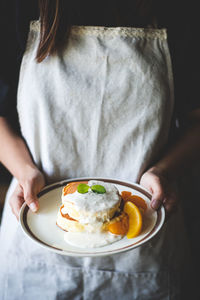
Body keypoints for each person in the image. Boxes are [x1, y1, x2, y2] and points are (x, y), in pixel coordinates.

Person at [0, 0, 200, 299]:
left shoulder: (179, 9)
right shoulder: (17, 7)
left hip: (143, 243)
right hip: (38, 244)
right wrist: (24, 170)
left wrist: (164, 171)